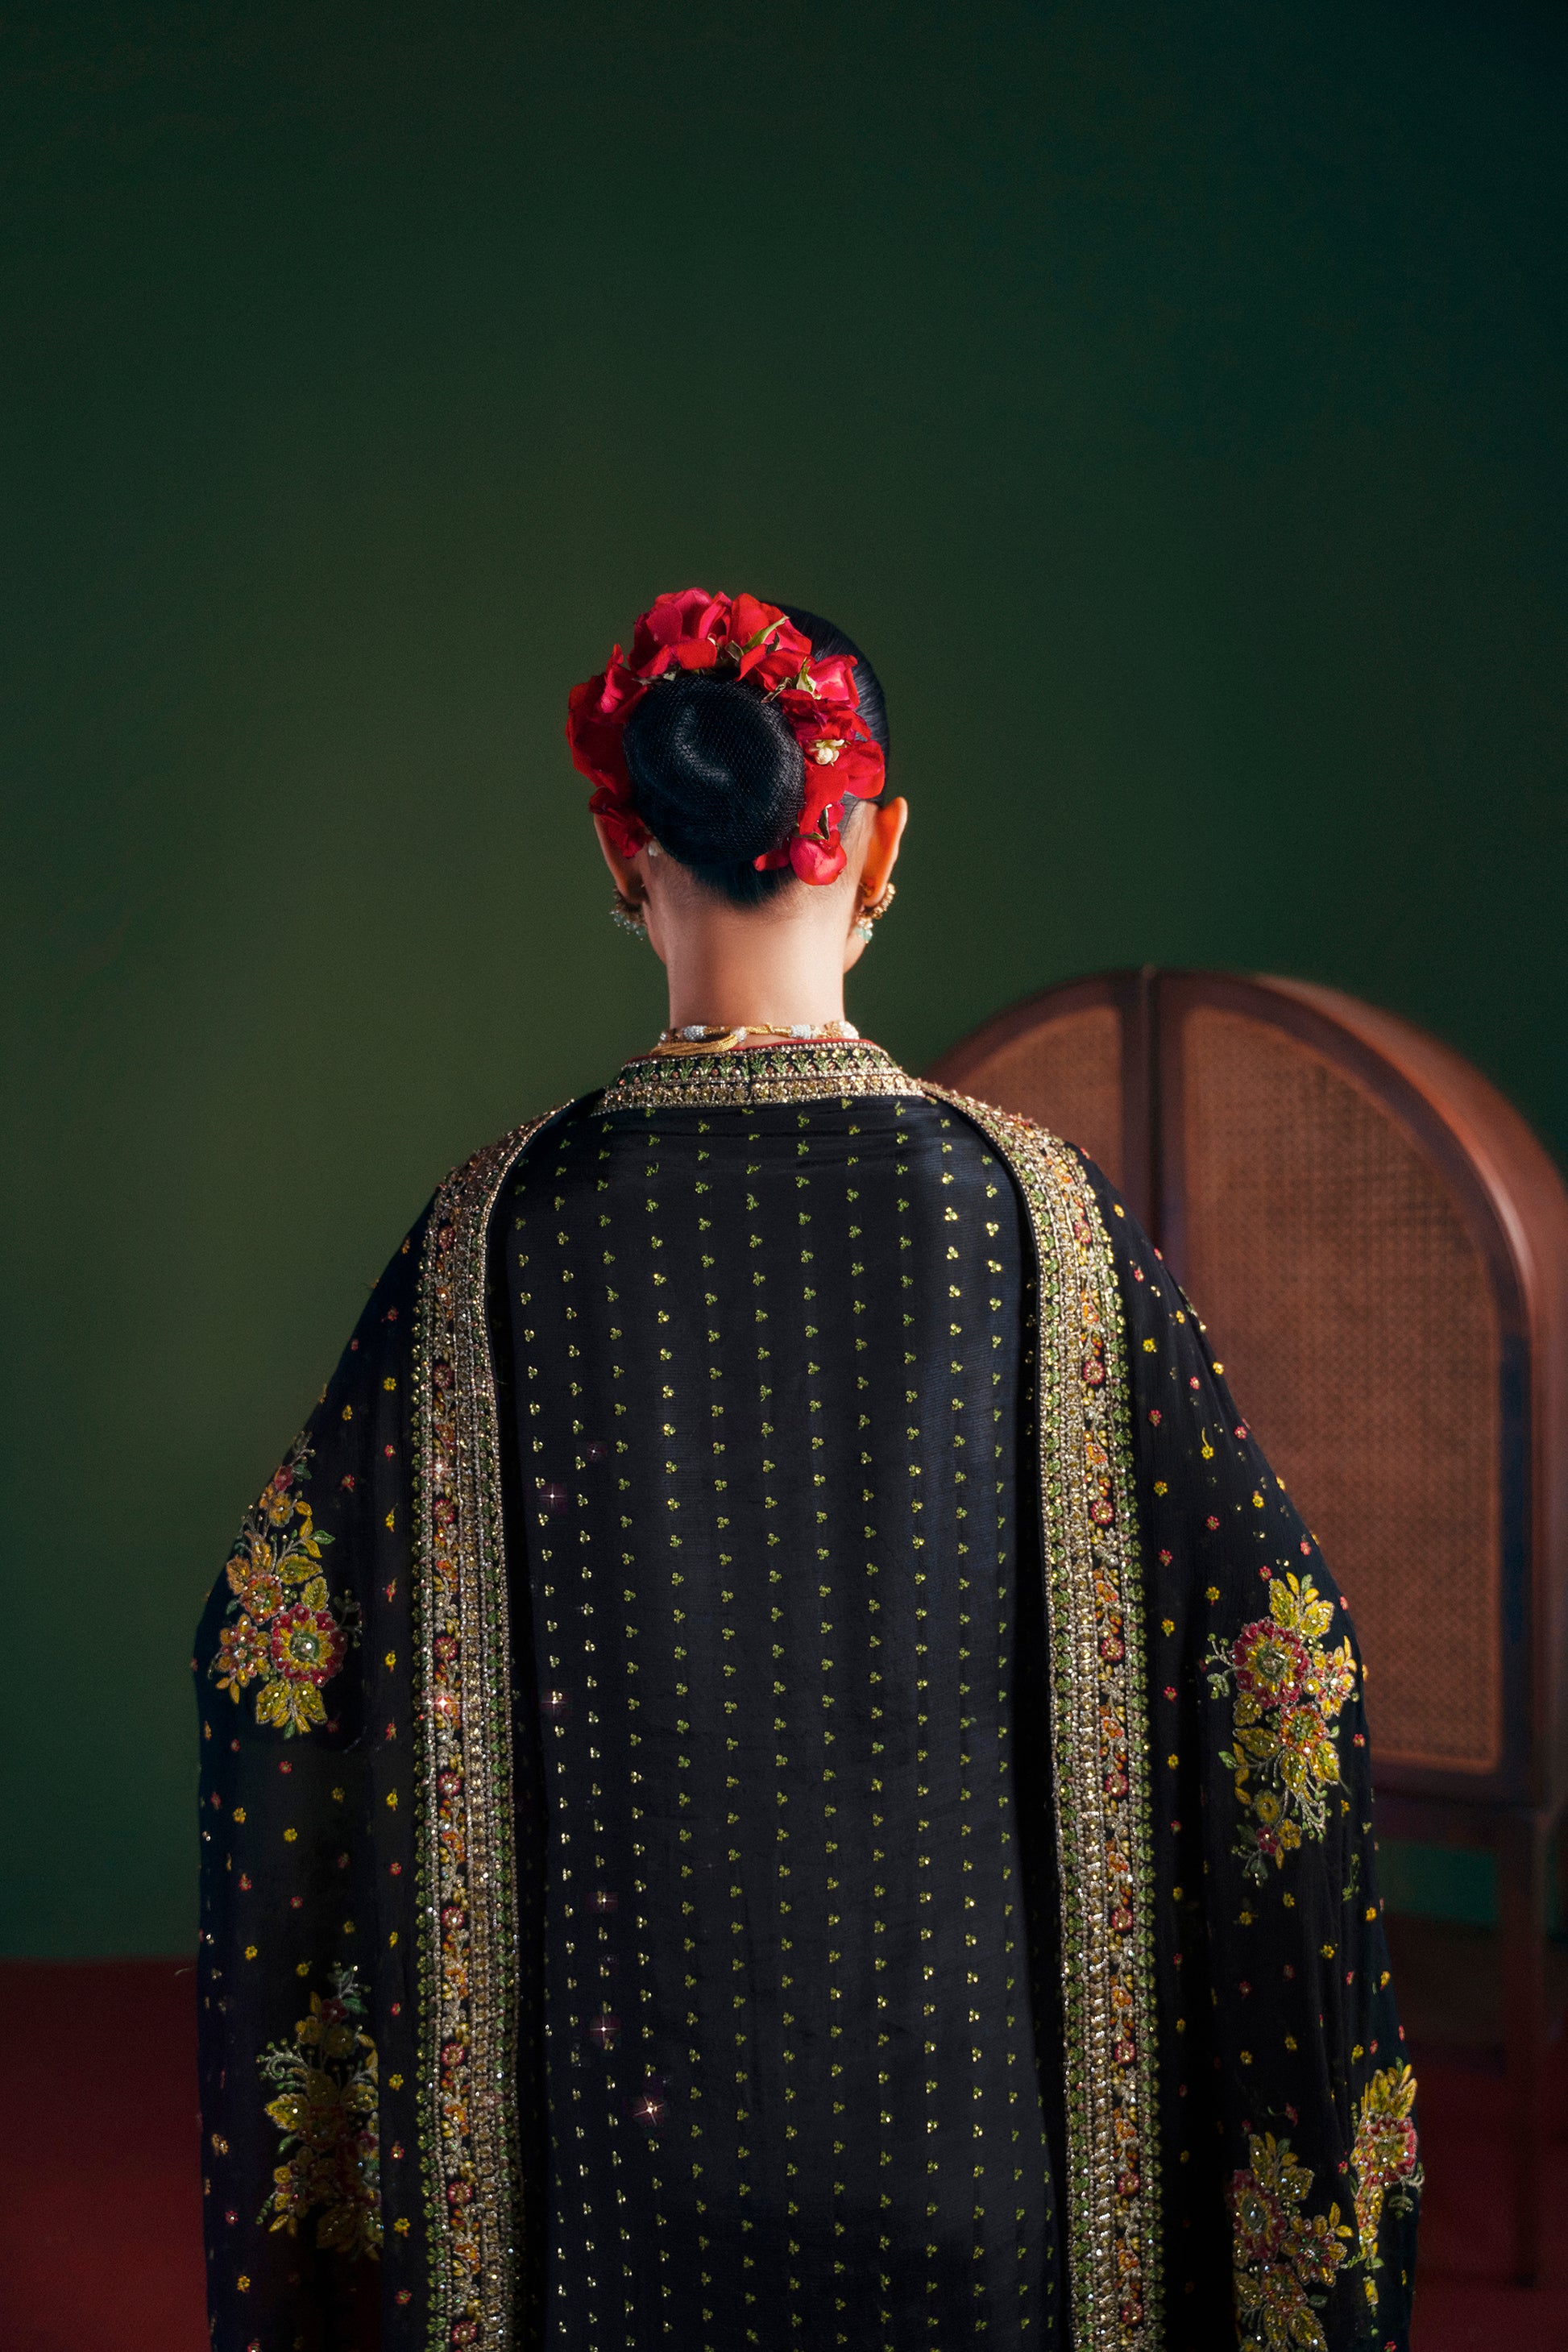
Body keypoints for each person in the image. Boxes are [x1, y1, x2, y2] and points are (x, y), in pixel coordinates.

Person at [195, 589, 1420, 2352]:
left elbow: (273, 1645)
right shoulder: (1037, 1222)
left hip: (608, 2214)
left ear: (621, 851)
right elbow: (1282, 1651)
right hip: (983, 2189)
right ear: (881, 844)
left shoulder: (490, 1237)